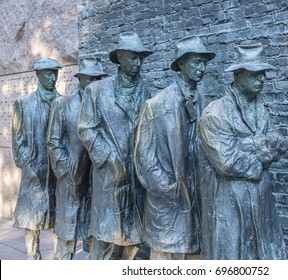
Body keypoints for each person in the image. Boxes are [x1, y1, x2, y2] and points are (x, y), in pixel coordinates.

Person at [198, 44, 288, 260]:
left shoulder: (261, 108)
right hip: (231, 208)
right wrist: (261, 153)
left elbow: (280, 142)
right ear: (238, 74)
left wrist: (246, 144)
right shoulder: (215, 114)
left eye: (264, 73)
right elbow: (228, 162)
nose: (263, 78)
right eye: (256, 73)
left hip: (262, 204)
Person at [135, 36, 215, 260]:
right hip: (168, 204)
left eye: (204, 63)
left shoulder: (203, 101)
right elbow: (144, 156)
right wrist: (169, 188)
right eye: (196, 62)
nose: (202, 68)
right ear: (180, 64)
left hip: (196, 203)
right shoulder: (158, 104)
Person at [78, 32, 153, 260]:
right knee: (106, 238)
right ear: (120, 57)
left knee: (132, 240)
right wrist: (109, 157)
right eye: (132, 57)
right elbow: (86, 129)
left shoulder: (145, 93)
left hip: (136, 179)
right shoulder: (97, 90)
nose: (137, 63)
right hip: (109, 177)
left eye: (140, 58)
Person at [47, 57, 108, 260]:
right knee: (67, 234)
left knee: (95, 233)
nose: (94, 82)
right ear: (80, 79)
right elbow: (53, 142)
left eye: (98, 78)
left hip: (97, 180)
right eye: (90, 78)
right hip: (70, 180)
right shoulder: (62, 104)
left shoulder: (104, 106)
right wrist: (66, 166)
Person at [12, 58, 63, 260]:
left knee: (60, 218)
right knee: (32, 220)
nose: (53, 78)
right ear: (38, 75)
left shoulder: (63, 102)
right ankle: (33, 259)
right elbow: (17, 139)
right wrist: (28, 163)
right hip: (35, 171)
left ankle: (61, 260)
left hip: (59, 172)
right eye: (48, 74)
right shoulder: (23, 104)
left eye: (55, 73)